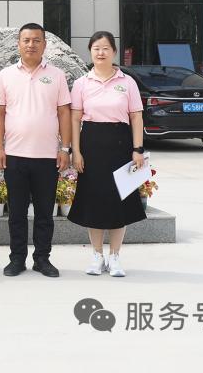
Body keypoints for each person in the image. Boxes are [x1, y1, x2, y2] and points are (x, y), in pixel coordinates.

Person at [0, 22, 72, 278]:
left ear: (44, 45)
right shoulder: (6, 75)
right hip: (14, 155)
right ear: (18, 44)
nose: (31, 45)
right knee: (16, 213)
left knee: (44, 213)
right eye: (26, 40)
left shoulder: (57, 75)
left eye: (36, 40)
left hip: (47, 156)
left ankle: (42, 259)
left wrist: (65, 148)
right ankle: (17, 259)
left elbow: (64, 112)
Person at [68, 31, 147, 278]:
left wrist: (138, 149)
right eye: (96, 48)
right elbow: (75, 119)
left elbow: (136, 117)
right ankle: (97, 255)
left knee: (118, 202)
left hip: (121, 145)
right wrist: (76, 151)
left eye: (105, 48)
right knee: (93, 201)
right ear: (90, 52)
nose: (100, 53)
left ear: (113, 52)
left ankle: (115, 256)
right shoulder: (82, 83)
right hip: (91, 145)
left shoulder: (127, 82)